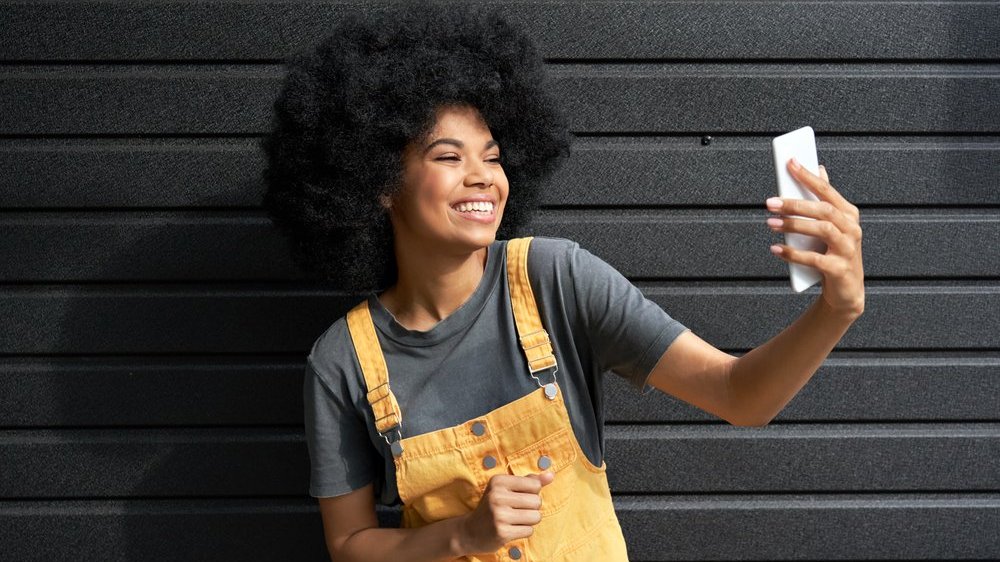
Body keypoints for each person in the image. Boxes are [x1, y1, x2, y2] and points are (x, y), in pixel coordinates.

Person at [260, 3, 866, 561]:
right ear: (378, 183)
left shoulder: (555, 279)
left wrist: (835, 310)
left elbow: (741, 396)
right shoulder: (342, 362)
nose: (482, 178)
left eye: (493, 157)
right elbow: (348, 544)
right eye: (448, 157)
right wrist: (462, 535)